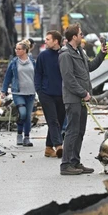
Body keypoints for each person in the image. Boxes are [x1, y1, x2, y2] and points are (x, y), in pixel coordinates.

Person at [59, 23, 107, 175]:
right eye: (80, 34)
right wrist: (83, 93)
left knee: (79, 131)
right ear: (74, 37)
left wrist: (102, 54)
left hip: (81, 98)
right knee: (72, 131)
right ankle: (66, 164)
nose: (82, 36)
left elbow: (90, 67)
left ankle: (75, 162)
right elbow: (69, 79)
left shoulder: (80, 51)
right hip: (73, 98)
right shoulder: (65, 54)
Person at [35, 30, 65, 158]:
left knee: (60, 120)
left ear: (55, 41)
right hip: (46, 93)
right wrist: (39, 90)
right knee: (53, 120)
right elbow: (38, 73)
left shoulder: (64, 54)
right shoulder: (43, 56)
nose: (45, 41)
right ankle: (59, 146)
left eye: (48, 39)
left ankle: (48, 148)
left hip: (62, 94)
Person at [2, 40, 37, 147]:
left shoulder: (32, 62)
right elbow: (7, 77)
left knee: (27, 116)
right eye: (16, 49)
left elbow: (38, 75)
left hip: (31, 93)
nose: (16, 50)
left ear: (25, 50)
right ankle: (19, 134)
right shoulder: (14, 62)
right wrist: (4, 90)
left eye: (19, 49)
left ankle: (26, 137)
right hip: (18, 92)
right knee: (22, 113)